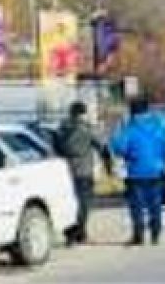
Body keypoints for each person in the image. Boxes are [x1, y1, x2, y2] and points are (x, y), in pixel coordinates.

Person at [110, 97, 165, 246]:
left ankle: (139, 236)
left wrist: (118, 132)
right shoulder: (158, 126)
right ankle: (156, 234)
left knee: (137, 206)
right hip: (156, 170)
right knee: (155, 204)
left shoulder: (130, 128)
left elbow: (119, 148)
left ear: (132, 111)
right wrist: (162, 163)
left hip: (136, 172)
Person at [56, 101, 112, 245]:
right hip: (84, 170)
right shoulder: (86, 129)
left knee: (70, 203)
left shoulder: (61, 129)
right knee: (84, 203)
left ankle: (72, 231)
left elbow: (56, 147)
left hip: (64, 171)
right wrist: (108, 167)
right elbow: (102, 147)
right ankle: (79, 233)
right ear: (83, 113)